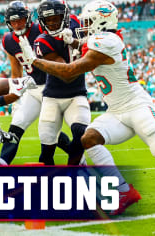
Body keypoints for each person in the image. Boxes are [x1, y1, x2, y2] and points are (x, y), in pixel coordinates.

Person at [19, 0, 155, 215]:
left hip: (137, 107)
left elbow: (69, 71)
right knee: (89, 139)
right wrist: (72, 43)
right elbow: (82, 49)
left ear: (101, 22)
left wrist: (34, 60)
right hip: (117, 111)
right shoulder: (102, 39)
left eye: (89, 21)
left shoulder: (105, 41)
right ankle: (123, 191)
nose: (84, 25)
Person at [1, 0, 71, 164]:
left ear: (28, 18)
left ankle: (77, 155)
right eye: (13, 21)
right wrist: (16, 95)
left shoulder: (41, 28)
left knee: (48, 130)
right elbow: (16, 69)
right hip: (33, 88)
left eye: (20, 20)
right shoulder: (8, 40)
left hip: (52, 86)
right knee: (16, 125)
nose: (17, 24)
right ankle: (0, 166)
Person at [33, 0, 90, 165]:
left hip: (77, 93)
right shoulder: (42, 40)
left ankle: (75, 171)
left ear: (65, 16)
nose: (51, 23)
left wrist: (74, 42)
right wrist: (82, 55)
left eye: (55, 18)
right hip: (53, 97)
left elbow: (94, 42)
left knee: (81, 132)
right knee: (47, 150)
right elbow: (66, 73)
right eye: (48, 20)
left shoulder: (76, 23)